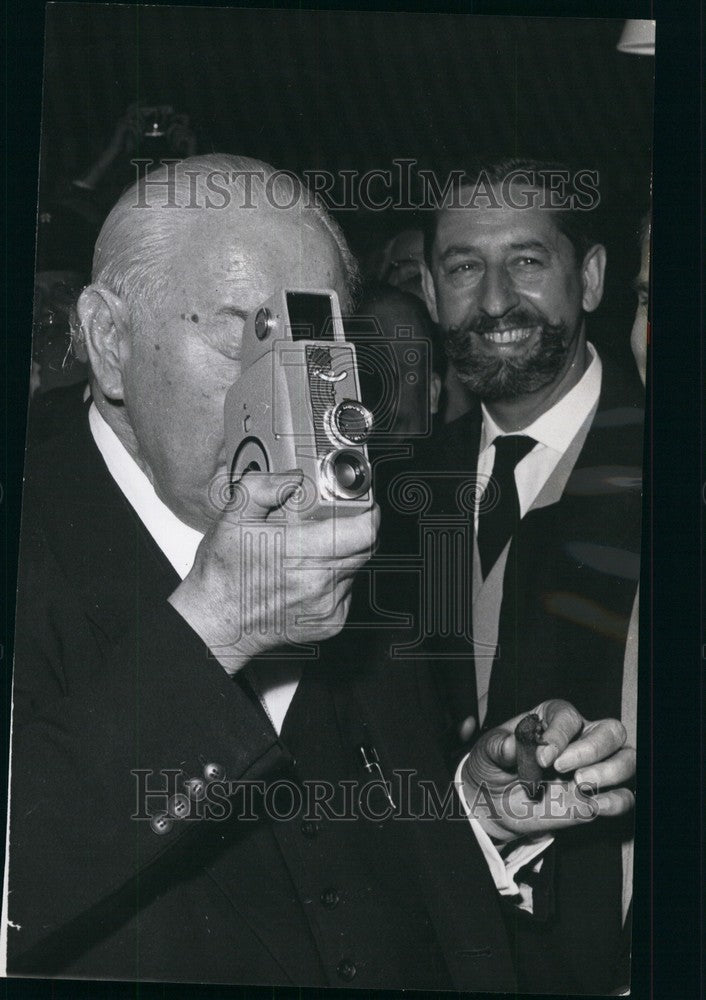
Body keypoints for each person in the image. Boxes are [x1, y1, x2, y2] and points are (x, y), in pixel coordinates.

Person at [5, 155, 634, 991]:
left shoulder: (362, 539)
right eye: (243, 332)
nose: (294, 394)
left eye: (315, 343)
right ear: (110, 343)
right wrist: (211, 632)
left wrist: (474, 814)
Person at [416, 158, 643, 993]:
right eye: (463, 267)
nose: (495, 300)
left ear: (589, 277)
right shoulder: (404, 494)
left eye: (527, 260)